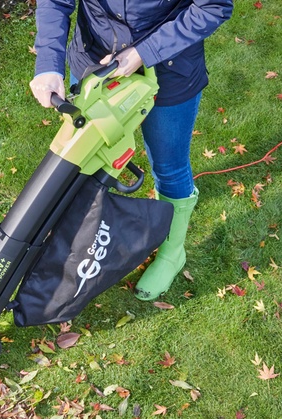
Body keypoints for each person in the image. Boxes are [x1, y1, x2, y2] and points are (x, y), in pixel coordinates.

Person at [29, 0, 233, 301]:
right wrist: (47, 63)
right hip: (94, 64)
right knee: (83, 164)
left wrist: (143, 53)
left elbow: (212, 7)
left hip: (169, 69)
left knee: (169, 165)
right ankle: (76, 248)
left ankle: (172, 252)